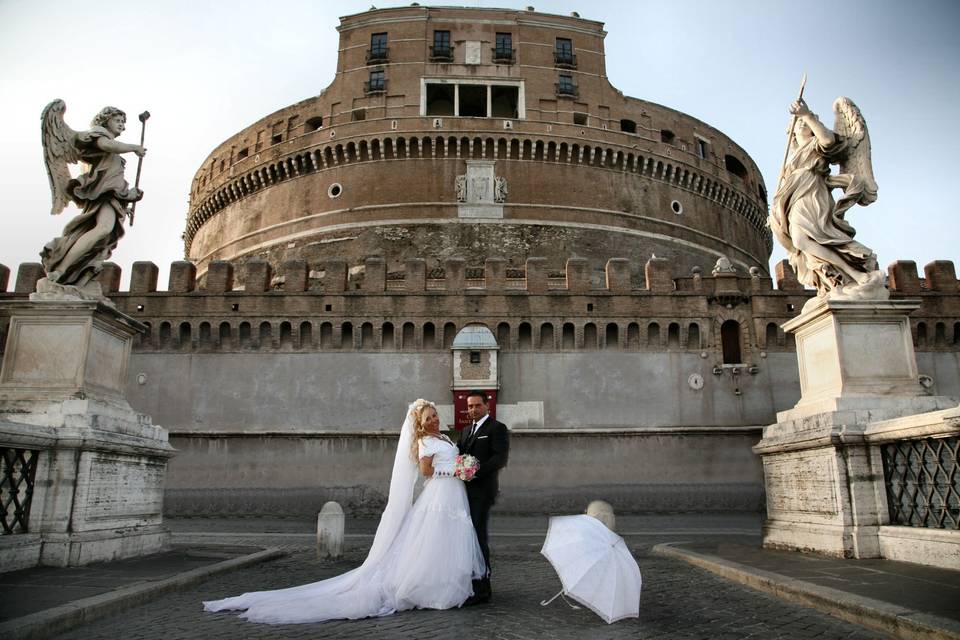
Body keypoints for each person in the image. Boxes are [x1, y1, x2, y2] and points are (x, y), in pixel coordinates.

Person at [202, 399, 485, 624]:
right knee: (433, 540)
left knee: (448, 541)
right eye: (428, 417)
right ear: (420, 425)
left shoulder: (447, 439)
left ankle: (445, 584)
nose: (434, 419)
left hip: (453, 494)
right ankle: (426, 588)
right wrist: (458, 471)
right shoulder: (426, 442)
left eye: (435, 415)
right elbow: (426, 472)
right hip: (440, 493)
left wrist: (461, 468)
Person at [769, 97, 882, 303]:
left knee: (807, 238)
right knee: (801, 241)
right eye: (798, 123)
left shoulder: (816, 143)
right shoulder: (793, 156)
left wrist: (807, 115)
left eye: (805, 123)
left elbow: (828, 141)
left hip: (812, 193)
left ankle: (854, 275)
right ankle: (839, 279)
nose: (802, 124)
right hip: (795, 198)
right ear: (792, 132)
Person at [41, 104, 146, 288]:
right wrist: (132, 147)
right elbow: (105, 145)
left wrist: (129, 195)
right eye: (118, 120)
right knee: (103, 229)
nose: (122, 125)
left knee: (103, 234)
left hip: (110, 195)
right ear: (106, 120)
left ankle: (70, 271)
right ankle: (61, 268)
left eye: (123, 122)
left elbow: (114, 181)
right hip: (101, 192)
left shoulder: (113, 149)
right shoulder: (97, 135)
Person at [458, 390, 510, 604]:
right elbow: (459, 456)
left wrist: (474, 472)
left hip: (483, 491)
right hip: (463, 492)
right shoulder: (465, 431)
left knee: (478, 537)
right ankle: (470, 582)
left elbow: (500, 458)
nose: (473, 409)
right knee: (466, 537)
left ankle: (483, 587)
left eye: (477, 405)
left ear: (487, 405)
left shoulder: (496, 429)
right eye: (469, 406)